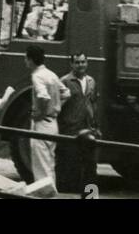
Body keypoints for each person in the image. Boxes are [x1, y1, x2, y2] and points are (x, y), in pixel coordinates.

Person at [55, 53, 97, 194]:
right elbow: (58, 105)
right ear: (72, 64)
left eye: (83, 62)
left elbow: (92, 103)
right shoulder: (65, 81)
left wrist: (94, 123)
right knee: (69, 163)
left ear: (87, 63)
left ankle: (87, 193)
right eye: (77, 62)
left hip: (87, 127)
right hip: (69, 128)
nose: (81, 65)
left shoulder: (91, 81)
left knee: (89, 163)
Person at [25, 44, 63, 188]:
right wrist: (56, 107)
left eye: (26, 58)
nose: (25, 61)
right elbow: (65, 93)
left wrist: (40, 114)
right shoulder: (51, 74)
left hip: (42, 124)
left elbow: (43, 96)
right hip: (53, 123)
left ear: (31, 60)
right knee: (49, 164)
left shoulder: (37, 76)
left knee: (41, 167)